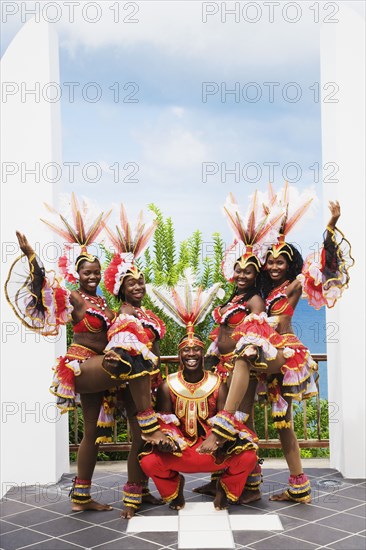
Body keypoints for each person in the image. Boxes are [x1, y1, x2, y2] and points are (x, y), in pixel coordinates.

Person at [5, 197, 172, 512]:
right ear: (76, 273)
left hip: (106, 368)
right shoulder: (75, 299)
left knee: (92, 433)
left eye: (96, 272)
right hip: (84, 366)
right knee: (132, 359)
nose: (92, 277)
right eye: (87, 273)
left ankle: (83, 496)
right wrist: (31, 258)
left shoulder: (105, 305)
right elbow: (42, 289)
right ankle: (149, 420)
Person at [198, 189, 354, 504]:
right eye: (270, 261)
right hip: (266, 353)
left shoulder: (296, 284)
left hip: (284, 353)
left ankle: (224, 425)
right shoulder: (264, 292)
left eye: (280, 261)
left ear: (290, 264)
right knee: (274, 424)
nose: (273, 266)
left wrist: (332, 226)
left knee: (244, 363)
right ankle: (273, 485)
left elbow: (326, 270)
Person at [141, 276, 258, 510]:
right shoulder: (168, 385)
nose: (192, 354)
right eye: (187, 350)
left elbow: (229, 419)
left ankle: (225, 488)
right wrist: (169, 440)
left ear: (204, 354)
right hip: (183, 451)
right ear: (179, 356)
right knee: (148, 461)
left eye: (196, 350)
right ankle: (174, 490)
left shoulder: (217, 383)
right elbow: (165, 423)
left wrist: (221, 439)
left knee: (249, 456)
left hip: (213, 451)